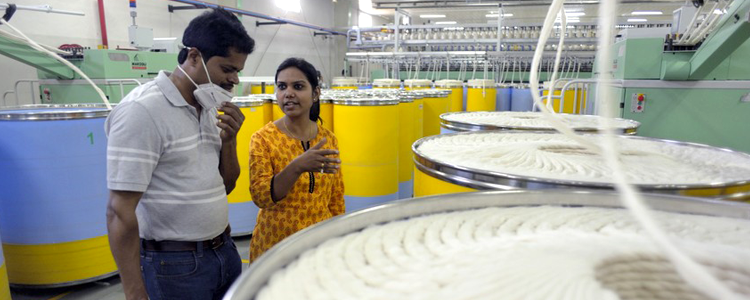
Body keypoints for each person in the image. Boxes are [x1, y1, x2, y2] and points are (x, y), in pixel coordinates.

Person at [105, 9, 255, 300]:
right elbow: (118, 211)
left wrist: (229, 142)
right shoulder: (143, 111)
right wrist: (135, 291)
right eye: (227, 69)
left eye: (238, 70)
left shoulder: (209, 103)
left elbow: (226, 186)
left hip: (223, 252)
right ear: (195, 57)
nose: (234, 79)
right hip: (175, 267)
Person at [248, 58, 345, 262]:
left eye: (298, 86)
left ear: (316, 93)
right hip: (275, 246)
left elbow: (336, 198)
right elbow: (261, 196)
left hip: (318, 244)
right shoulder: (263, 139)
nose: (288, 93)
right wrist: (297, 167)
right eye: (282, 86)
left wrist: (338, 238)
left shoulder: (328, 140)